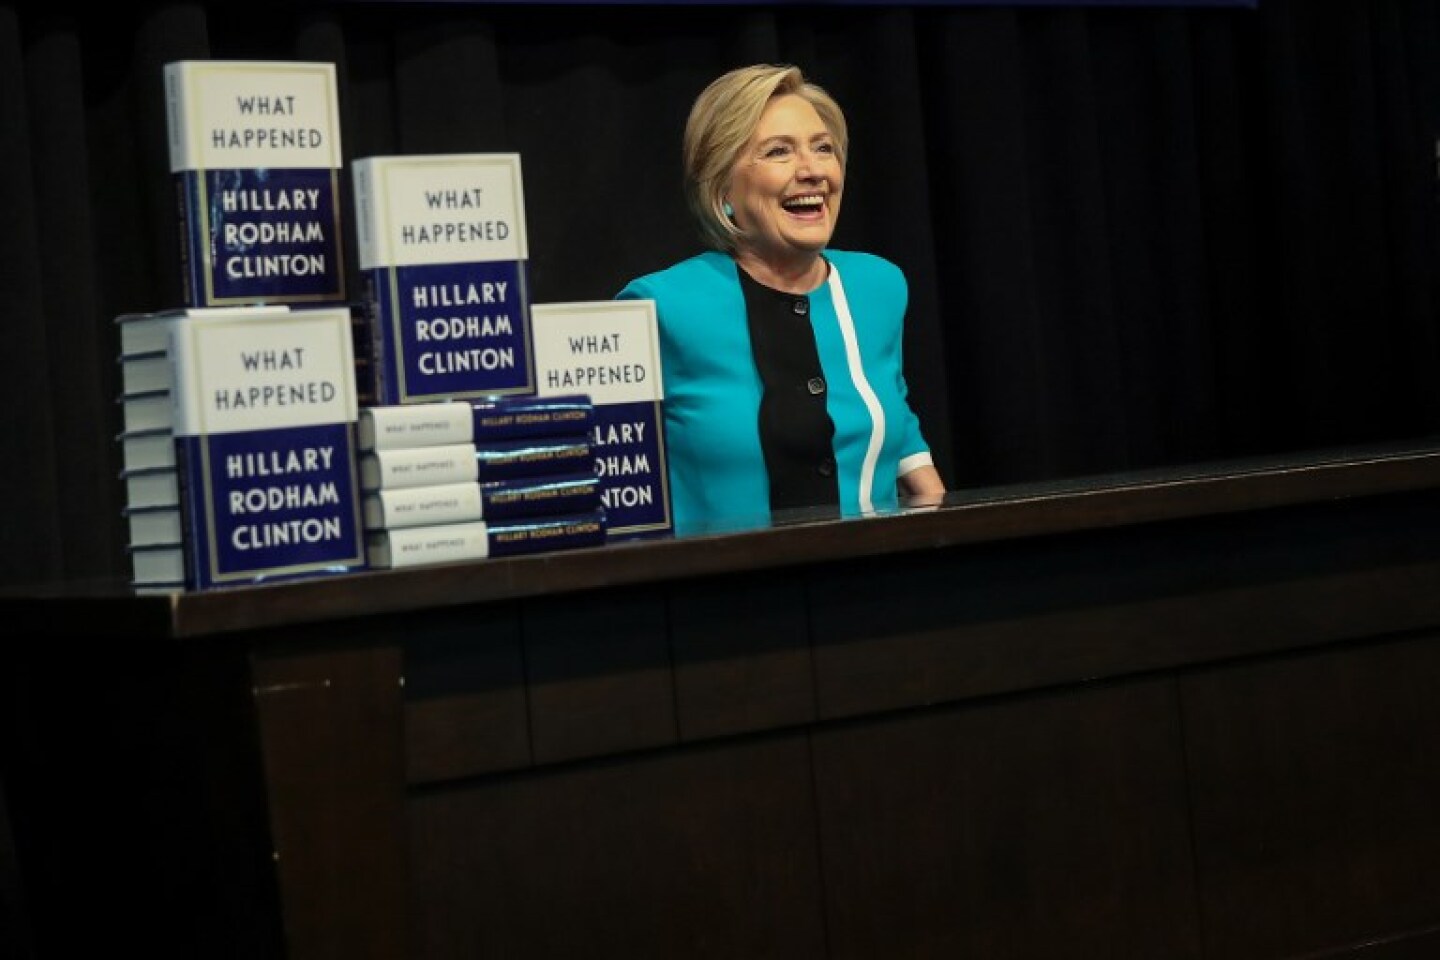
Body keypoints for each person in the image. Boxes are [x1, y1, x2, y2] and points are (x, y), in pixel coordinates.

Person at [617, 63, 945, 535]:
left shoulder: (879, 286)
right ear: (722, 188)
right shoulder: (657, 307)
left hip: (873, 584)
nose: (812, 171)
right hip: (726, 596)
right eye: (779, 152)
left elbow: (891, 402)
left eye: (823, 149)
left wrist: (929, 499)